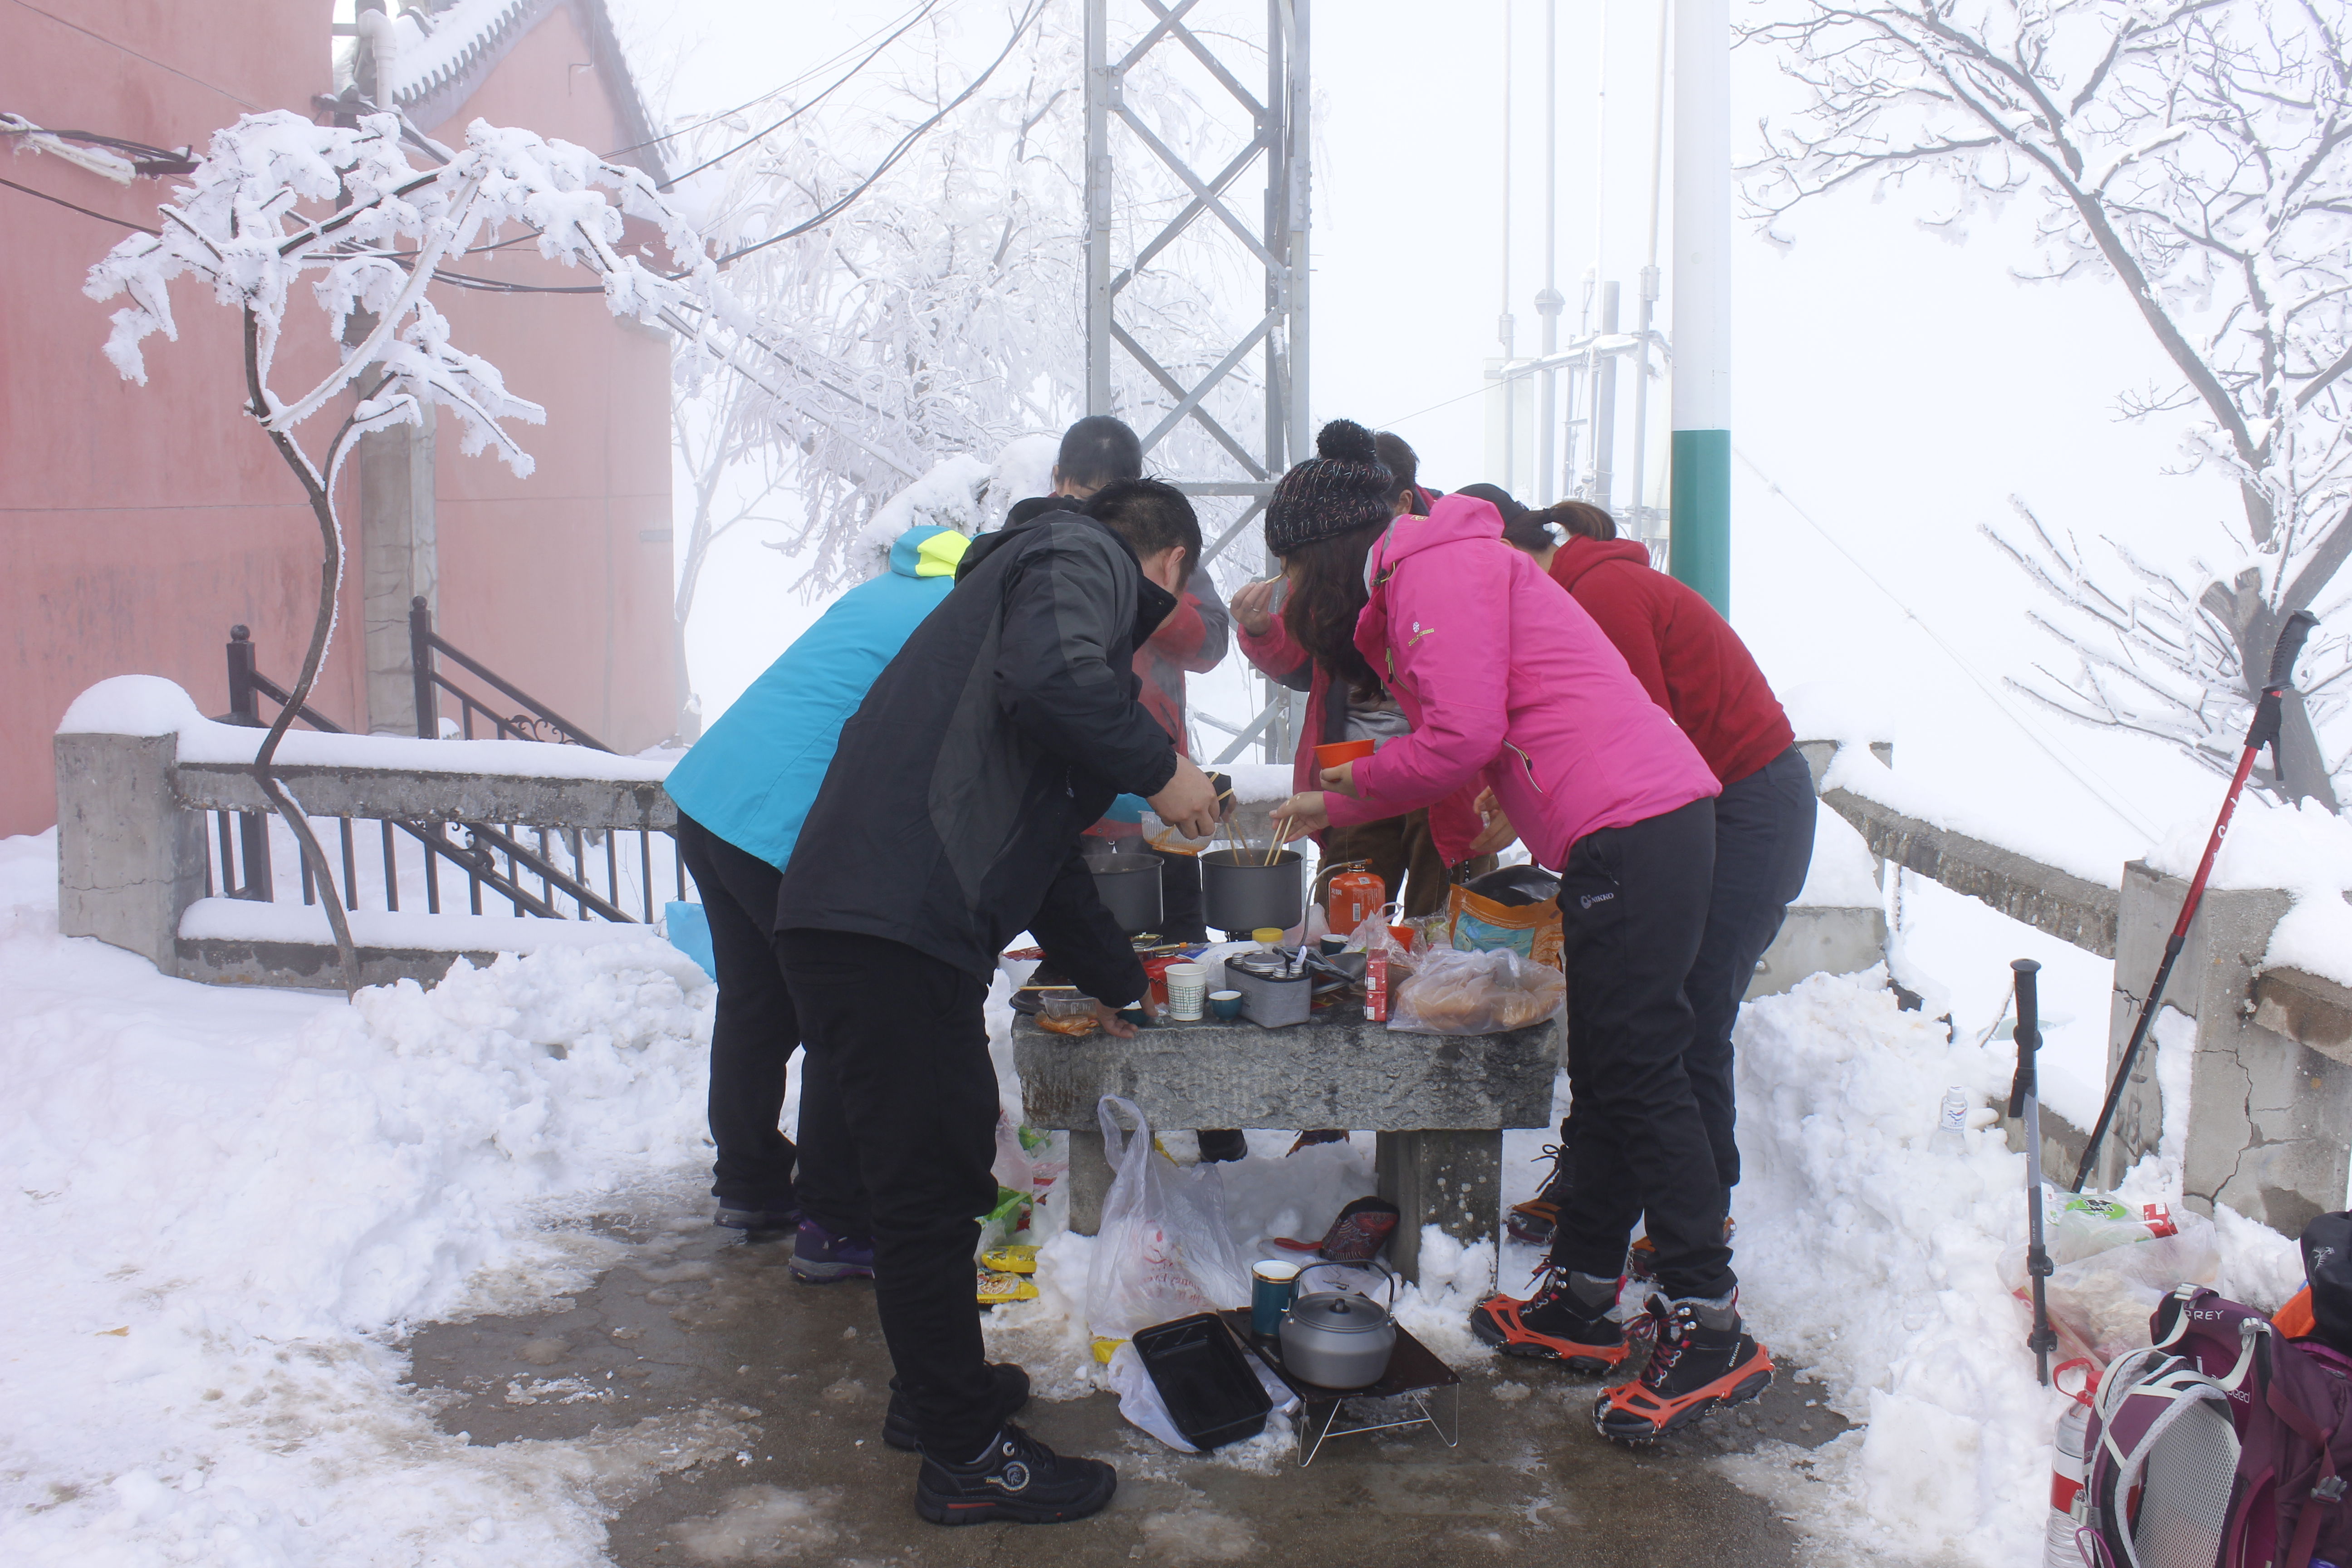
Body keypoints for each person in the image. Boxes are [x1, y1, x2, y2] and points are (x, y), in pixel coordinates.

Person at [1268, 422, 1772, 1442]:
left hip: (1636, 827)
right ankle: (1584, 1298)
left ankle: (1710, 1322)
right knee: (1614, 1065)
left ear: (1323, 553)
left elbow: (1458, 740)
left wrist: (1339, 793)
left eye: (1286, 570)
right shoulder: (1433, 570)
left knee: (1643, 1071)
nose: (1286, 592)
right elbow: (1475, 736)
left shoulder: (1433, 568)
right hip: (1626, 830)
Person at [774, 477, 1223, 1525]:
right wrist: (1164, 772)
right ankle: (964, 1457)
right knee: (929, 1198)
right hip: (892, 924)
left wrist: (1117, 982)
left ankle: (940, 1399)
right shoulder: (1075, 555)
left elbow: (1044, 860)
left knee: (927, 1176)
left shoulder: (1014, 603)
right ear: (1163, 558)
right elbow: (1059, 682)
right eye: (1175, 584)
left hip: (862, 917)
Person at [1492, 500, 1815, 1256]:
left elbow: (1639, 744)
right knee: (1631, 1009)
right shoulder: (1574, 596)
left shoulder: (1597, 597)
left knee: (1687, 1009)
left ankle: (1702, 1214)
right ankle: (1601, 1187)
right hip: (1711, 801)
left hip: (1746, 803)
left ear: (1510, 555)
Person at [662, 521, 973, 1287]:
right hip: (774, 825)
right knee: (845, 1014)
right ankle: (834, 1224)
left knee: (755, 1003)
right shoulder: (964, 619)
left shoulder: (896, 589)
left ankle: (749, 1190)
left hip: (706, 798)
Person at [1230, 427, 1487, 919]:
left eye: (1296, 562)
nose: (1291, 575)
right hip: (1357, 767)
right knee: (1346, 929)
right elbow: (1307, 665)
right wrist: (1263, 631)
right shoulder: (1350, 585)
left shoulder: (1430, 579)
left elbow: (1463, 736)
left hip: (1444, 779)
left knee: (1440, 937)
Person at [1010, 415, 1232, 947]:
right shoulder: (1040, 543)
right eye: (1085, 495)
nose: (1099, 520)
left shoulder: (1158, 544)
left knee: (1179, 945)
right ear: (1058, 478)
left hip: (1157, 789)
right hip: (1067, 799)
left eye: (1110, 502)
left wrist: (1151, 600)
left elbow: (1212, 644)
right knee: (1078, 948)